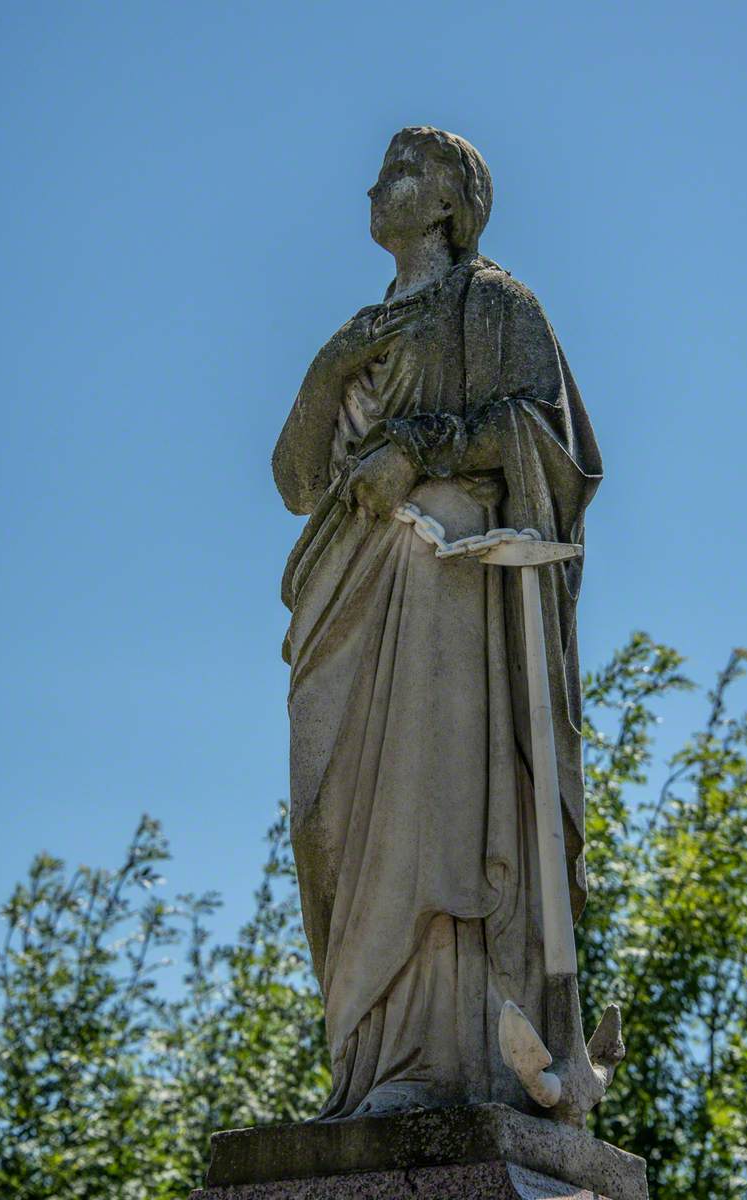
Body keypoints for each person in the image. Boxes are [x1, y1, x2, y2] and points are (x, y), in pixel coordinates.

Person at [272, 126, 602, 1118]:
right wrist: (331, 371)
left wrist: (424, 446)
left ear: (454, 202)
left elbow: (555, 448)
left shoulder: (496, 307)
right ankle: (365, 1061)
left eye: (405, 171)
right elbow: (297, 484)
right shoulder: (361, 328)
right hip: (347, 591)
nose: (378, 186)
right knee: (334, 822)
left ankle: (440, 1062)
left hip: (443, 591)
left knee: (435, 800)